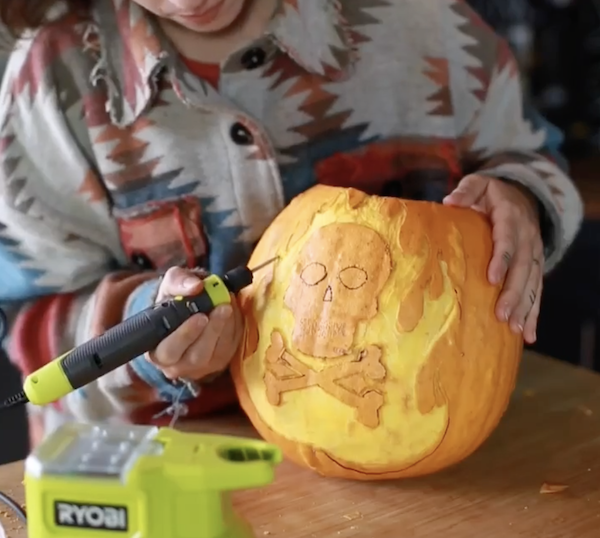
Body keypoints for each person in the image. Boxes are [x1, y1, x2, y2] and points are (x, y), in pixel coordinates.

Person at [0, 0, 583, 445]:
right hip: (156, 469)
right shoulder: (50, 88)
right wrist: (142, 331)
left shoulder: (428, 26)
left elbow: (534, 158)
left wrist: (524, 197)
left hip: (429, 446)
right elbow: (34, 323)